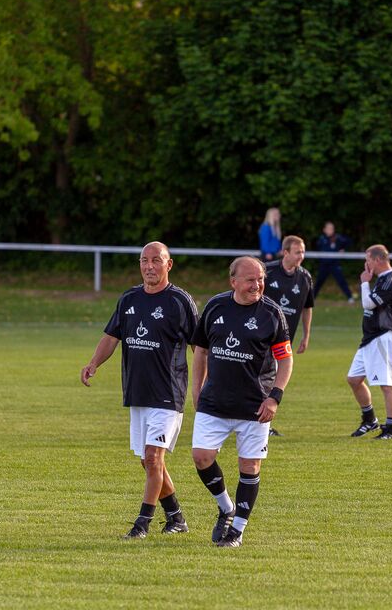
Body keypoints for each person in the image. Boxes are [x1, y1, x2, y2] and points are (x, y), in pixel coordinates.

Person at [80, 242, 199, 539]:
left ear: (168, 265)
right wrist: (94, 363)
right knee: (147, 461)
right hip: (137, 391)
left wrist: (206, 384)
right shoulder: (129, 298)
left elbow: (200, 348)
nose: (149, 266)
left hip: (169, 392)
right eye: (144, 260)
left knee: (153, 458)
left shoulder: (180, 301)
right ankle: (176, 517)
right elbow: (112, 336)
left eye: (156, 260)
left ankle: (141, 524)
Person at [191, 256, 294, 548]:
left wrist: (274, 398)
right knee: (201, 456)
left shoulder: (272, 313)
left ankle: (236, 531)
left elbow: (286, 360)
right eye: (250, 280)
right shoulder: (215, 306)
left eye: (261, 279)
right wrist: (196, 391)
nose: (257, 285)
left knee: (249, 466)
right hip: (215, 401)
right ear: (233, 281)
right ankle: (226, 507)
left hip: (255, 406)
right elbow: (200, 351)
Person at [347, 244, 392, 440]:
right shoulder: (382, 280)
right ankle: (370, 419)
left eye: (368, 260)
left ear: (378, 260)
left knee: (386, 385)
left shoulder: (391, 280)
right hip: (370, 339)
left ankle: (390, 429)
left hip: (384, 337)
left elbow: (368, 303)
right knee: (354, 379)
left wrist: (364, 282)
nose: (366, 264)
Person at [263, 235, 314, 437]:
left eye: (303, 252)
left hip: (283, 340)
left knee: (272, 380)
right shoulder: (267, 271)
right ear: (285, 252)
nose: (301, 256)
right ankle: (256, 422)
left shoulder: (305, 277)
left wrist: (306, 335)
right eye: (297, 252)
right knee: (260, 378)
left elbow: (307, 308)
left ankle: (263, 424)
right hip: (260, 336)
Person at [313, 221, 355, 303]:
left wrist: (343, 249)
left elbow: (349, 242)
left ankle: (350, 297)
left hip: (335, 265)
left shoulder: (338, 238)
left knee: (341, 281)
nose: (330, 230)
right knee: (319, 282)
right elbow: (317, 249)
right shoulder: (321, 239)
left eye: (332, 228)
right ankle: (312, 298)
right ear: (324, 230)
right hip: (324, 265)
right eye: (328, 228)